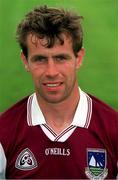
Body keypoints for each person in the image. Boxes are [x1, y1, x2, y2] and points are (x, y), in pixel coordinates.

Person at [0, 5, 118, 179]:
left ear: (79, 58)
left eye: (60, 58)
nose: (51, 72)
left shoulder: (113, 129)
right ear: (25, 61)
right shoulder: (4, 132)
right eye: (40, 59)